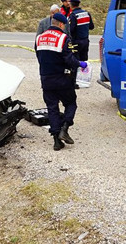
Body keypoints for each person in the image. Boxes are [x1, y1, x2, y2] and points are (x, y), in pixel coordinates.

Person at [36, 13, 85, 150]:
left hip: (46, 79)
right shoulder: (63, 38)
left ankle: (56, 141)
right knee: (71, 103)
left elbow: (39, 57)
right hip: (62, 79)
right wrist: (80, 64)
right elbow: (68, 59)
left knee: (52, 108)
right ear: (62, 24)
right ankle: (65, 127)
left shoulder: (39, 38)